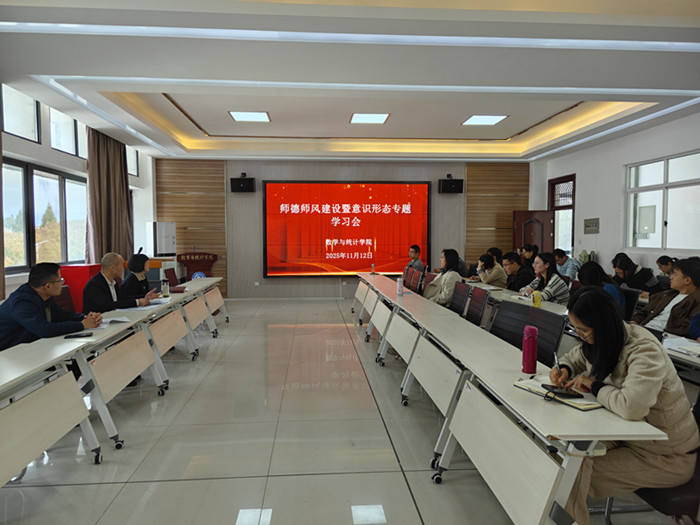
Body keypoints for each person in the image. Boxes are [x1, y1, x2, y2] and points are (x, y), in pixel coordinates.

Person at [550, 286, 699, 525]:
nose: (579, 335)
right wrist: (564, 369)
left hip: (666, 455)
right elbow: (575, 357)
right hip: (629, 436)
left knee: (570, 473)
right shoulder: (602, 339)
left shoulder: (644, 350)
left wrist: (596, 386)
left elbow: (631, 407)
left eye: (583, 330)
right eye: (575, 328)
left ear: (602, 325)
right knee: (562, 457)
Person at [0, 262, 102, 350]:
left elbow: (60, 314)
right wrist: (82, 325)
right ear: (48, 286)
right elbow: (44, 330)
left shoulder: (44, 294)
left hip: (28, 346)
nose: (62, 283)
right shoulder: (22, 302)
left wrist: (85, 317)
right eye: (60, 280)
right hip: (7, 352)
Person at [631, 258, 700, 337]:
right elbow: (643, 312)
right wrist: (634, 322)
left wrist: (660, 333)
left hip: (661, 336)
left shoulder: (696, 301)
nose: (671, 277)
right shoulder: (666, 295)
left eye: (675, 274)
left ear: (687, 280)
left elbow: (686, 330)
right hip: (643, 330)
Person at [82, 252, 158, 313]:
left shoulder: (113, 282)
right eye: (122, 265)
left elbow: (122, 298)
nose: (123, 269)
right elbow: (108, 305)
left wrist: (144, 297)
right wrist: (137, 302)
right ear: (113, 268)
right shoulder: (95, 284)